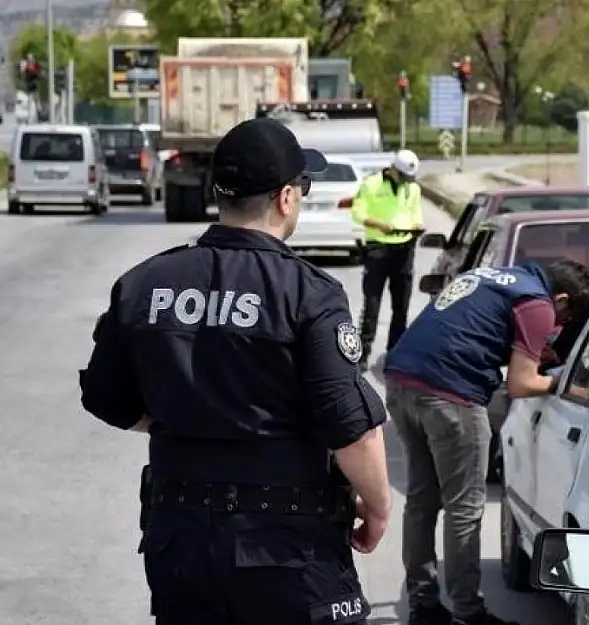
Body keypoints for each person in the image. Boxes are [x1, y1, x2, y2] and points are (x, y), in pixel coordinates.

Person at [78, 116, 391, 625]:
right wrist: (377, 509)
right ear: (286, 198)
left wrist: (181, 419)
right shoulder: (308, 293)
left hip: (181, 541)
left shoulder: (143, 283)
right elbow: (351, 428)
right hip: (287, 551)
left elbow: (105, 398)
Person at [383, 260, 589, 625]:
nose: (557, 328)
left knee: (421, 501)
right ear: (561, 299)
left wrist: (518, 349)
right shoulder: (537, 303)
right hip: (451, 397)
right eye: (565, 317)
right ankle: (468, 612)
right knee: (464, 507)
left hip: (402, 382)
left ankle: (425, 607)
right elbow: (521, 384)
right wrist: (565, 381)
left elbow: (468, 330)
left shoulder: (492, 276)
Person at [350, 149, 424, 371]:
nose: (405, 182)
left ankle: (396, 352)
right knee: (372, 304)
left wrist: (417, 227)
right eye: (402, 176)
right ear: (393, 169)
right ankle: (362, 355)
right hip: (378, 249)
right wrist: (378, 224)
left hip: (404, 248)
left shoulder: (413, 188)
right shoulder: (372, 184)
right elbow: (358, 212)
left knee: (401, 306)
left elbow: (416, 215)